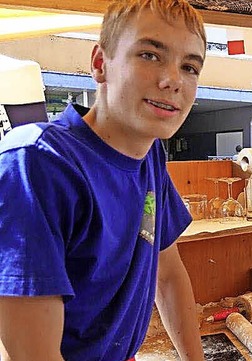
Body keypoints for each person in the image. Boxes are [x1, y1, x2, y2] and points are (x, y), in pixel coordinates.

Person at [0, 1, 207, 360]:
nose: (173, 79)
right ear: (100, 64)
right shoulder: (39, 163)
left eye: (189, 66)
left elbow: (168, 273)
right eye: (150, 55)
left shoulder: (150, 156)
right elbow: (33, 355)